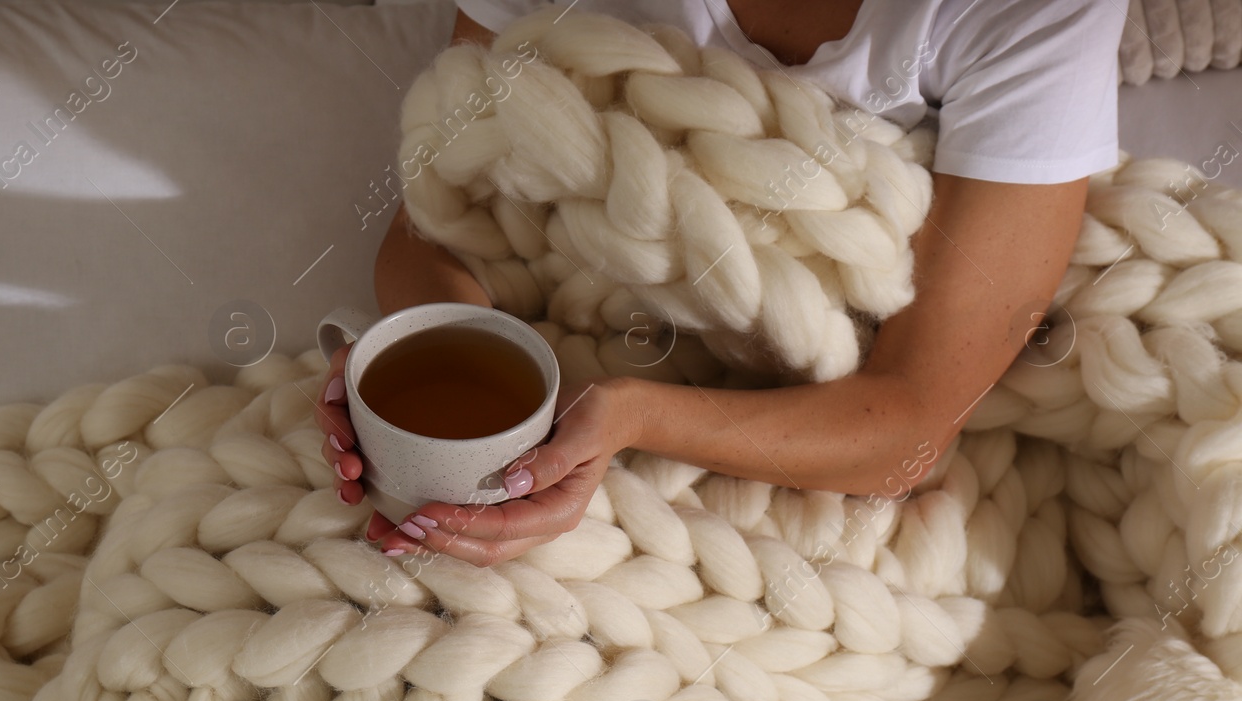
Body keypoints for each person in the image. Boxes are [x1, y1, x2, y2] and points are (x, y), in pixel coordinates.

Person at [314, 0, 1123, 566]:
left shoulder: (1034, 10)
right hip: (547, 366)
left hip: (813, 456)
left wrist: (628, 417)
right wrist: (446, 375)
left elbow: (909, 420)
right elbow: (431, 220)